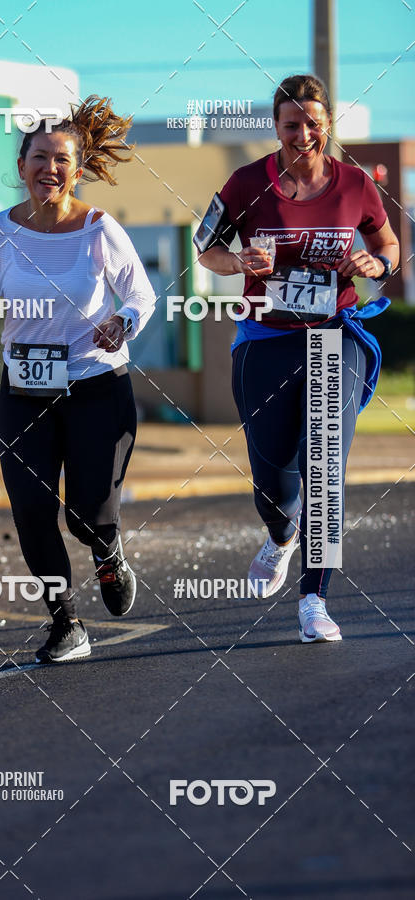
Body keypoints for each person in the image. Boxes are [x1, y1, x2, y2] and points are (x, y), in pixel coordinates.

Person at [0, 96, 157, 663]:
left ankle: (107, 551)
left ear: (76, 169)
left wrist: (122, 321)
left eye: (61, 159)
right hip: (25, 389)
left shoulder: (99, 230)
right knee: (31, 509)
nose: (49, 169)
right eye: (39, 157)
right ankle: (66, 624)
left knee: (85, 513)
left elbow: (141, 294)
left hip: (95, 385)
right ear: (21, 166)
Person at [198, 74, 399, 643]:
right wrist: (239, 264)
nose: (304, 134)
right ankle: (281, 535)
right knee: (273, 479)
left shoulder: (357, 184)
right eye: (292, 124)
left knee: (327, 466)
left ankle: (315, 598)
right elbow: (206, 247)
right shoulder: (245, 183)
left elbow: (389, 246)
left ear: (327, 124)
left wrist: (376, 267)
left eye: (313, 123)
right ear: (276, 127)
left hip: (334, 335)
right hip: (266, 340)